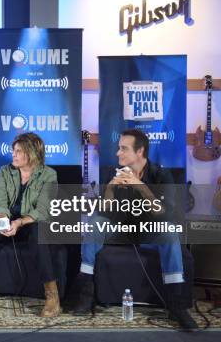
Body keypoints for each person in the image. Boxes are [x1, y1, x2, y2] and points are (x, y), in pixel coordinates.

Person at [72, 129, 197, 330]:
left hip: (149, 230)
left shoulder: (161, 175)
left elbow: (165, 213)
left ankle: (177, 306)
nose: (117, 153)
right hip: (122, 230)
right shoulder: (115, 172)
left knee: (170, 232)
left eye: (123, 149)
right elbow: (105, 211)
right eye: (118, 148)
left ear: (140, 152)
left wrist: (140, 186)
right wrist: (111, 189)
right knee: (95, 222)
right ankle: (85, 295)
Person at [0, 132, 60, 317]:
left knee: (38, 231)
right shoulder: (4, 172)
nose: (13, 154)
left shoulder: (49, 175)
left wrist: (20, 222)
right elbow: (0, 203)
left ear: (31, 153)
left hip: (31, 222)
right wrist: (3, 219)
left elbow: (43, 210)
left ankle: (51, 295)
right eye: (13, 150)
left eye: (18, 151)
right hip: (9, 220)